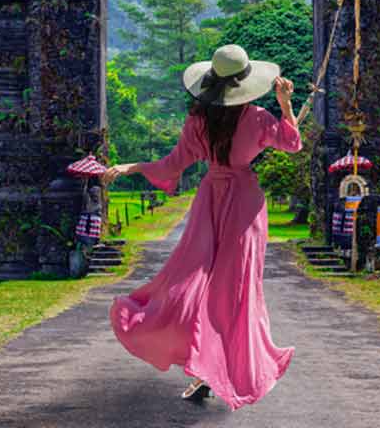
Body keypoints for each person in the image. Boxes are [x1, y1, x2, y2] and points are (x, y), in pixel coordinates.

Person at [103, 43, 302, 410]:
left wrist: (132, 166)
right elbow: (293, 142)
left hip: (210, 199)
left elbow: (171, 164)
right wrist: (286, 102)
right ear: (245, 83)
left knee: (192, 281)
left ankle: (204, 369)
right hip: (244, 204)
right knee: (237, 290)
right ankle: (211, 368)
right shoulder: (257, 118)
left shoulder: (198, 122)